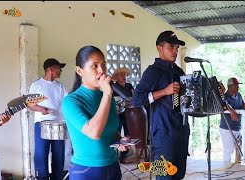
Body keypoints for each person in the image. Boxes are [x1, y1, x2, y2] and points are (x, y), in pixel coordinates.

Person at [62, 45, 127, 179]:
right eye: (95, 66)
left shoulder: (107, 99)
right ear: (80, 71)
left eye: (103, 65)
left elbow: (109, 128)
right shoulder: (71, 101)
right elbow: (94, 132)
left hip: (112, 165)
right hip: (86, 170)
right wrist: (107, 95)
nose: (101, 70)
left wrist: (121, 140)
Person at [132, 30, 190, 179]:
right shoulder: (153, 72)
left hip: (181, 129)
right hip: (163, 132)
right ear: (159, 48)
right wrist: (164, 91)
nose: (175, 51)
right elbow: (137, 100)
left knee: (179, 173)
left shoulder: (178, 71)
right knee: (164, 174)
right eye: (171, 47)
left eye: (176, 48)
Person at [28, 58, 68, 180]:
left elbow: (67, 103)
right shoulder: (37, 85)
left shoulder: (61, 87)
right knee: (41, 154)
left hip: (59, 124)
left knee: (58, 154)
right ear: (50, 69)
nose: (60, 71)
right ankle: (42, 177)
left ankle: (57, 177)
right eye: (58, 68)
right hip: (41, 124)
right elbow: (30, 104)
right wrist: (42, 109)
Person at [219, 77, 245, 165]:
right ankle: (226, 168)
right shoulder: (224, 96)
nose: (238, 87)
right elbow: (223, 105)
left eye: (238, 85)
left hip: (237, 127)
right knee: (228, 150)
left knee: (239, 150)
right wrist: (231, 111)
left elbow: (244, 108)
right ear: (230, 86)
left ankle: (237, 167)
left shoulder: (239, 95)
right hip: (227, 128)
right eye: (236, 85)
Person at [112, 67, 134, 163]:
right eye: (121, 74)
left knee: (128, 134)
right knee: (115, 134)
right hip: (116, 114)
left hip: (128, 113)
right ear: (116, 77)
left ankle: (124, 157)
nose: (123, 76)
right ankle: (114, 157)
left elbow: (134, 97)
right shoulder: (113, 86)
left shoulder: (129, 86)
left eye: (124, 74)